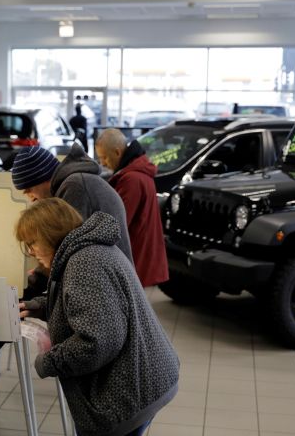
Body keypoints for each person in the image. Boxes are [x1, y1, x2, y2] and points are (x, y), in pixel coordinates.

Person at [16, 198, 179, 436]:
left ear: (51, 234)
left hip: (130, 391)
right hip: (145, 377)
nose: (31, 252)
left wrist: (49, 362)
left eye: (32, 243)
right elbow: (88, 304)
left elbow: (97, 342)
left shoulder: (84, 263)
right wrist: (40, 306)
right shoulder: (86, 250)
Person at [11, 144, 133, 299]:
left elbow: (64, 248)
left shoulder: (75, 186)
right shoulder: (74, 182)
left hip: (109, 286)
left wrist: (33, 285)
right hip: (109, 278)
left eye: (28, 188)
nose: (29, 196)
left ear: (43, 177)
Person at [95, 129, 169, 287]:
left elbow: (118, 223)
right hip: (142, 252)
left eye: (104, 157)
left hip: (137, 255)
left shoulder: (131, 179)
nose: (102, 163)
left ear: (117, 152)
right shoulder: (136, 173)